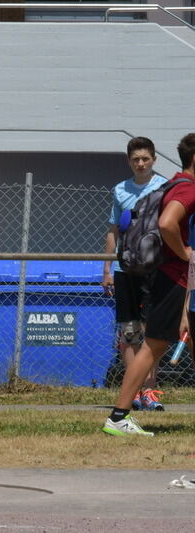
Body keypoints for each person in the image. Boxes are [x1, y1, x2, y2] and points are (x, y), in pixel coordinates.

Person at [102, 133, 195, 437]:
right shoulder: (187, 190)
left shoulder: (172, 184)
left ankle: (119, 416)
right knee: (152, 346)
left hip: (170, 277)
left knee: (157, 344)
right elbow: (168, 224)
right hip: (175, 278)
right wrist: (186, 254)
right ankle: (118, 416)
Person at [102, 137, 167, 411]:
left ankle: (150, 390)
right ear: (129, 161)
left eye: (145, 159)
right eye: (135, 159)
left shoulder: (164, 187)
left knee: (154, 330)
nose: (141, 164)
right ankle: (134, 389)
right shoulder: (120, 190)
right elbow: (113, 231)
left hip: (155, 267)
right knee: (129, 330)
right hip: (124, 268)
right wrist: (106, 268)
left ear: (153, 159)